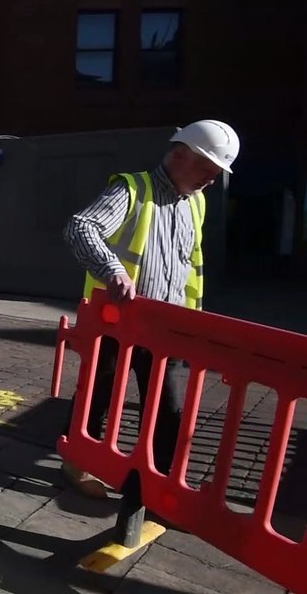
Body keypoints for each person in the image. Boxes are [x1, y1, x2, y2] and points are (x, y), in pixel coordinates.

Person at [60, 119, 239, 498]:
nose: (211, 180)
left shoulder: (197, 202)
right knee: (99, 392)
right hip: (118, 322)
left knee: (168, 408)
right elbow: (81, 227)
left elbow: (188, 264)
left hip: (168, 327)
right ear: (179, 156)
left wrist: (193, 322)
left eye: (216, 173)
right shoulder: (132, 190)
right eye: (207, 169)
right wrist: (113, 271)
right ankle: (78, 462)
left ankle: (158, 482)